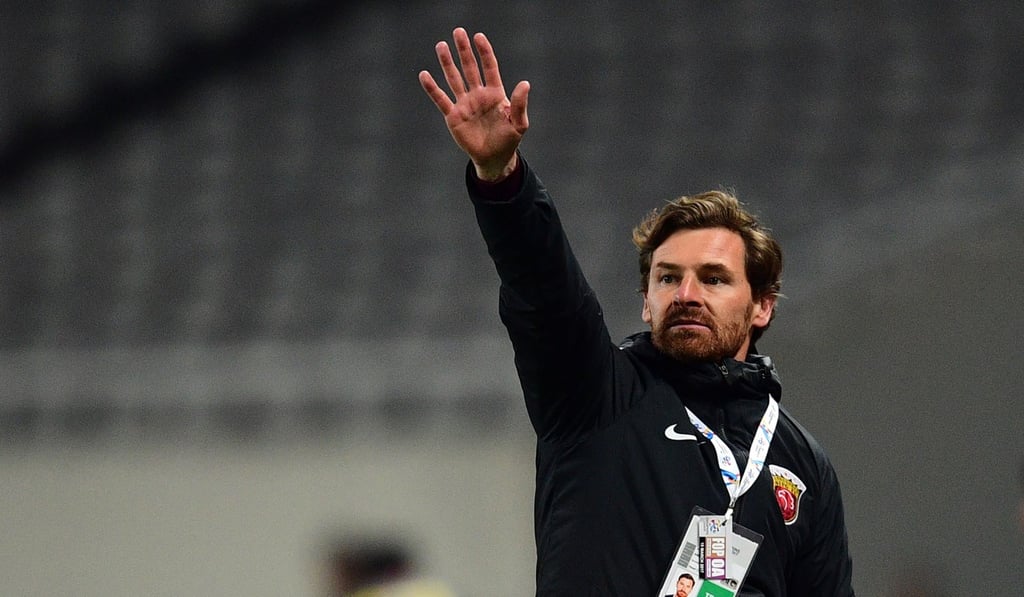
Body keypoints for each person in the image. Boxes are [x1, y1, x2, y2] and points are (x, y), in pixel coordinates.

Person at [418, 27, 855, 595]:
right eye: (668, 277)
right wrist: (504, 179)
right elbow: (545, 291)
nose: (686, 294)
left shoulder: (803, 464)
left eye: (714, 279)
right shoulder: (594, 394)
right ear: (646, 301)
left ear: (761, 306)